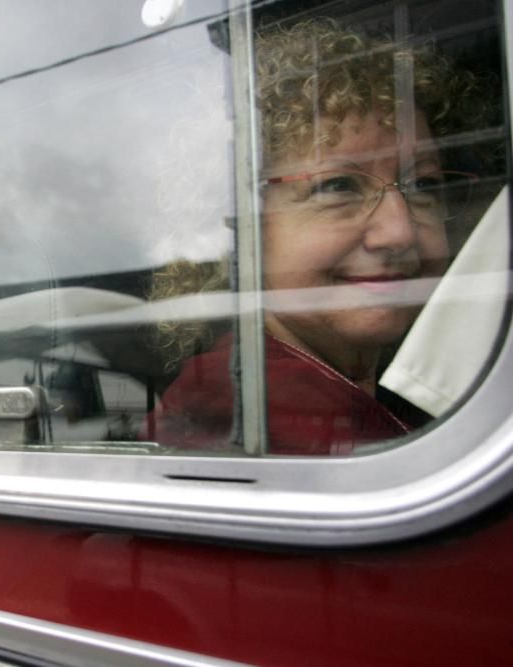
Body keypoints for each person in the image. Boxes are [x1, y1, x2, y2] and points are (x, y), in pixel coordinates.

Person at [149, 19, 487, 455]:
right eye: (339, 186)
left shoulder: (392, 390)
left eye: (423, 186)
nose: (398, 231)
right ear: (239, 227)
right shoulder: (237, 418)